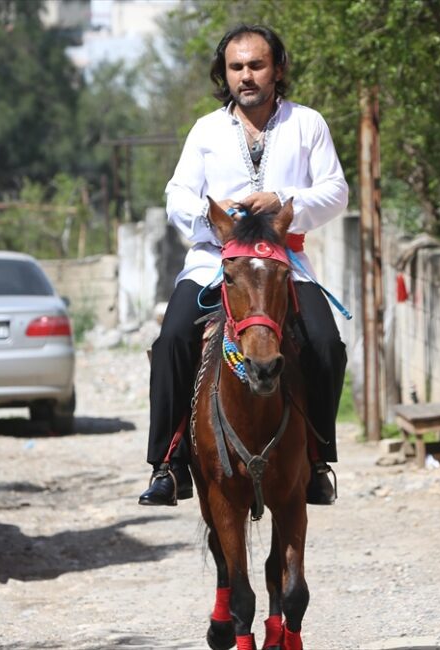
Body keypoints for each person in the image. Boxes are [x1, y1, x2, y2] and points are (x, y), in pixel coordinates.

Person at [139, 24, 349, 507]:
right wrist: (214, 221)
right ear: (225, 73)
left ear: (277, 69)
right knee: (172, 338)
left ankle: (318, 459)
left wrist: (283, 198)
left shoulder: (307, 124)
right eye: (237, 67)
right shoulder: (206, 130)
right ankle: (166, 465)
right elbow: (177, 196)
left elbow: (335, 191)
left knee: (325, 343)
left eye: (256, 65)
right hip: (216, 262)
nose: (247, 76)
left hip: (283, 262)